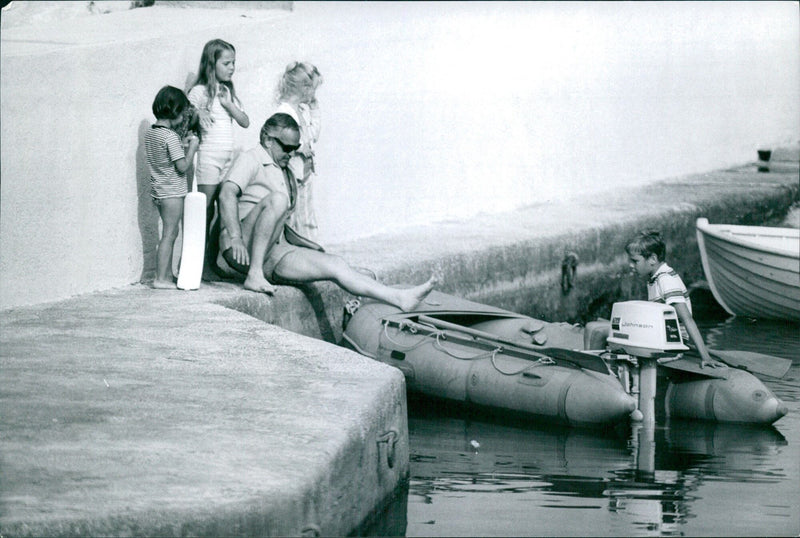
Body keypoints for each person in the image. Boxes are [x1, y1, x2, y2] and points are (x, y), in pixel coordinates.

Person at [216, 112, 436, 310]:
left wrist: (310, 247)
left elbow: (279, 223)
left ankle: (400, 298)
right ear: (267, 139)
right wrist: (235, 237)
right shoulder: (251, 158)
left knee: (336, 264)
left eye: (295, 148)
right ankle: (254, 274)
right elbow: (226, 193)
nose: (291, 154)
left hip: (272, 252)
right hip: (240, 249)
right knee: (278, 200)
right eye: (286, 148)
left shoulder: (283, 171)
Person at [187, 39, 250, 276]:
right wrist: (198, 112)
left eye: (234, 62)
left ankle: (210, 263)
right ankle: (199, 265)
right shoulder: (199, 91)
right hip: (209, 158)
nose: (232, 67)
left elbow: (245, 121)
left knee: (222, 211)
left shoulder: (226, 91)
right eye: (227, 63)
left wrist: (227, 104)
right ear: (211, 64)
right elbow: (186, 120)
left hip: (227, 160)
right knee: (206, 211)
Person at [626, 230, 715, 367]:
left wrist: (705, 357)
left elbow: (687, 318)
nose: (631, 265)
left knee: (602, 334)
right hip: (660, 340)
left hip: (671, 347)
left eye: (635, 261)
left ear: (653, 259)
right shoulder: (655, 278)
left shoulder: (666, 280)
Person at [144, 85, 200, 289]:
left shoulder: (153, 133)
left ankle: (166, 275)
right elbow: (182, 167)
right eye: (183, 113)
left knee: (168, 232)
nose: (184, 118)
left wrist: (180, 144)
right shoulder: (170, 137)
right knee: (170, 233)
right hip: (173, 192)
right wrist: (192, 148)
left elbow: (165, 156)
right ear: (175, 110)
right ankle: (161, 278)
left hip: (160, 190)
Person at [273, 61, 323, 242]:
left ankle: (312, 244)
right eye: (313, 90)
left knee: (307, 212)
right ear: (304, 88)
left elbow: (313, 135)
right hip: (294, 171)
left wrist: (315, 110)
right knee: (295, 212)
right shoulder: (285, 110)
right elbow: (282, 137)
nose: (314, 95)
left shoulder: (302, 110)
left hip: (306, 171)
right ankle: (301, 245)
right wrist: (301, 147)